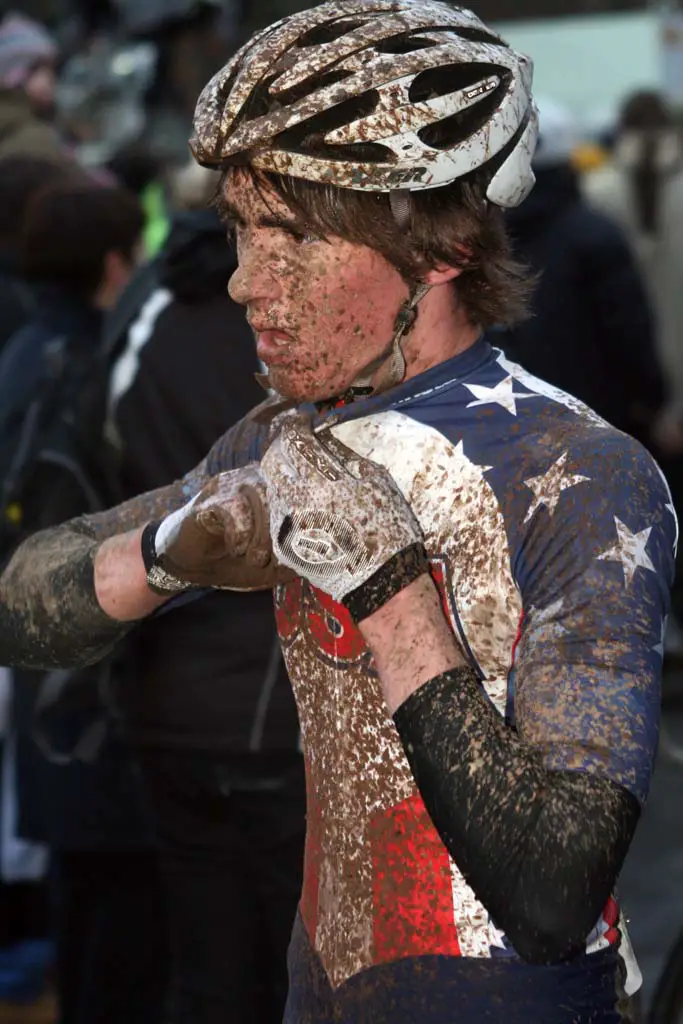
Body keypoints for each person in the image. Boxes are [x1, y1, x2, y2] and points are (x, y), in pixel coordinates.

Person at [0, 3, 676, 1022]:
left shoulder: (582, 472)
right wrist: (166, 552)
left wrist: (390, 590)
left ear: (440, 245)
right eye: (238, 230)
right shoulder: (289, 434)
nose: (241, 281)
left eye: (293, 237)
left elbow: (550, 890)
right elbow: (20, 606)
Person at [105, 164, 304, 1024]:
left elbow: (98, 459)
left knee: (211, 971)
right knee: (311, 975)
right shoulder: (299, 324)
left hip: (167, 685)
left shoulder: (139, 319)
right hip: (281, 696)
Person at [1, 179, 168, 1024]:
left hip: (34, 662)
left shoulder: (21, 355)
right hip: (99, 671)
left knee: (80, 899)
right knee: (126, 923)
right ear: (114, 261)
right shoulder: (95, 367)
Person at [502, 96, 668, 447]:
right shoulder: (595, 234)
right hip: (600, 424)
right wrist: (652, 397)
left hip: (514, 426)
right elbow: (627, 328)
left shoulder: (484, 239)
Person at [0, 13, 63, 162]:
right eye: (35, 69)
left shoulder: (44, 118)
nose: (49, 80)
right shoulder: (21, 135)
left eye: (51, 69)